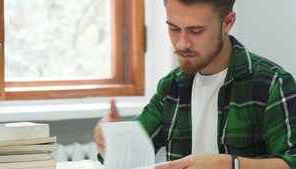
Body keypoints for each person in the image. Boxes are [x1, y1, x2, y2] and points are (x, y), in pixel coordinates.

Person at [94, 0, 296, 168]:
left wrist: (231, 164)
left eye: (196, 31)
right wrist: (113, 143)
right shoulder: (171, 86)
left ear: (227, 22)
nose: (181, 44)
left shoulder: (272, 84)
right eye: (173, 28)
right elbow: (134, 156)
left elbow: (292, 161)